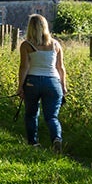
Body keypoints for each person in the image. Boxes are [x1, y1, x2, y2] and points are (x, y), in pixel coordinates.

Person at [17, 14, 69, 150]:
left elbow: (24, 67)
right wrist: (63, 86)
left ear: (30, 28)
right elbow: (61, 68)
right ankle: (56, 138)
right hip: (53, 82)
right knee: (52, 116)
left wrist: (20, 87)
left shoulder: (26, 45)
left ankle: (33, 143)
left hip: (32, 82)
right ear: (45, 27)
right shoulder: (56, 44)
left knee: (31, 114)